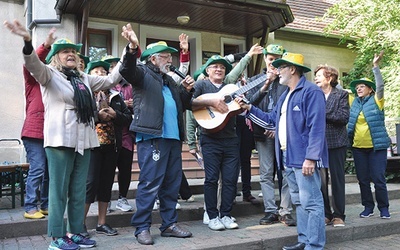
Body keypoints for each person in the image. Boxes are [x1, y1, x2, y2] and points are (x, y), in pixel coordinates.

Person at [4, 19, 130, 250]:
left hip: (84, 141)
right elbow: (32, 64)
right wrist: (28, 41)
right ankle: (56, 237)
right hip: (60, 140)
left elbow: (112, 79)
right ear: (56, 56)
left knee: (78, 190)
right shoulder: (49, 74)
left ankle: (75, 232)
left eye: (73, 51)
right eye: (65, 51)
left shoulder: (84, 78)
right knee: (59, 190)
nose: (70, 54)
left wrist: (128, 50)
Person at [238, 52, 328, 250]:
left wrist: (311, 158)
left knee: (311, 202)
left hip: (305, 158)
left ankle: (315, 245)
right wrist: (248, 108)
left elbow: (317, 127)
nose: (277, 72)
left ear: (293, 69)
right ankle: (304, 241)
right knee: (298, 201)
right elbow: (271, 120)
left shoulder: (311, 92)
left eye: (281, 67)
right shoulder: (286, 95)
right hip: (289, 157)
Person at [119, 23, 194, 245]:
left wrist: (188, 90)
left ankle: (169, 224)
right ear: (153, 59)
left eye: (170, 57)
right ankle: (142, 227)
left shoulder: (169, 80)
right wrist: (133, 47)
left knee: (172, 184)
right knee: (150, 184)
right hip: (152, 138)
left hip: (172, 139)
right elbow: (126, 70)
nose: (170, 60)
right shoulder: (142, 74)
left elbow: (184, 104)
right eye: (165, 57)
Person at [82, 60, 133, 237]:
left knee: (106, 184)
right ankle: (80, 223)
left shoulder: (115, 96)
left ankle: (102, 223)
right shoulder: (85, 93)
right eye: (96, 71)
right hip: (91, 146)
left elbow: (128, 118)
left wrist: (115, 114)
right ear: (89, 75)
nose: (101, 74)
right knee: (90, 184)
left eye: (104, 71)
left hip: (112, 146)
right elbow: (78, 116)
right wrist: (98, 116)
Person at [247, 44, 295, 226]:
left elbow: (289, 107)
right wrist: (266, 82)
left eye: (277, 59)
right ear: (266, 59)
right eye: (270, 58)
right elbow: (250, 103)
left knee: (286, 171)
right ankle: (270, 210)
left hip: (283, 133)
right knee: (266, 173)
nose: (273, 62)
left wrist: (276, 127)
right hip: (262, 133)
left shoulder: (288, 81)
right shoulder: (256, 79)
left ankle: (285, 211)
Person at [191, 55, 240, 231]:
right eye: (215, 66)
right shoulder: (201, 85)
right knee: (211, 179)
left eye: (222, 67)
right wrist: (211, 101)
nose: (219, 69)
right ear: (207, 70)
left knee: (230, 180)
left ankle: (226, 214)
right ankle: (212, 216)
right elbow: (190, 102)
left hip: (231, 138)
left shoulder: (232, 88)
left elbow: (243, 108)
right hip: (209, 138)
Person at [348, 51, 391, 219]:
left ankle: (384, 208)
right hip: (358, 149)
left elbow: (381, 86)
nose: (358, 88)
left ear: (370, 89)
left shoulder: (377, 100)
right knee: (363, 180)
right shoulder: (353, 102)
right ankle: (368, 207)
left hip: (376, 148)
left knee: (379, 179)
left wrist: (375, 67)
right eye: (357, 87)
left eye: (362, 86)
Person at [21, 28, 55, 220]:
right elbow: (31, 62)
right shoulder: (31, 81)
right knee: (38, 168)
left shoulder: (50, 83)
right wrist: (46, 45)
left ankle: (46, 205)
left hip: (50, 133)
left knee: (49, 171)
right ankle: (30, 207)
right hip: (33, 133)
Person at [314, 65, 349, 227]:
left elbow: (342, 117)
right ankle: (326, 214)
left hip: (336, 143)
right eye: (315, 75)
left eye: (319, 75)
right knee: (321, 181)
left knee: (337, 180)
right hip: (319, 144)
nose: (315, 78)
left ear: (329, 78)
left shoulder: (341, 94)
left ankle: (339, 215)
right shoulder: (314, 95)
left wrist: (320, 113)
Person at [103, 55, 135, 212]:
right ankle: (105, 199)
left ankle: (123, 198)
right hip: (108, 136)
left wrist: (132, 104)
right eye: (111, 67)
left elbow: (138, 107)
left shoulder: (130, 86)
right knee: (107, 170)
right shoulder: (105, 87)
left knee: (125, 168)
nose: (115, 70)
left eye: (117, 66)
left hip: (126, 134)